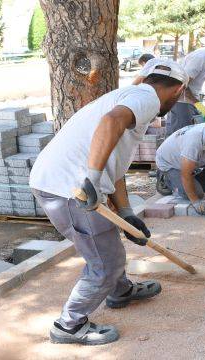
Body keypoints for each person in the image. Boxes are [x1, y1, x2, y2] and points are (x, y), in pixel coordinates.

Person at [29, 60, 188, 345]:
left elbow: (115, 168)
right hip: (69, 188)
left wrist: (125, 212)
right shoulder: (146, 97)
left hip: (60, 181)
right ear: (178, 90)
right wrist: (90, 178)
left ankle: (121, 291)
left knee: (107, 243)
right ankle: (69, 325)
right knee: (106, 261)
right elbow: (110, 123)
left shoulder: (131, 95)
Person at [133, 32, 205, 136]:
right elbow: (181, 85)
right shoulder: (202, 57)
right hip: (180, 101)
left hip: (191, 100)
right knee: (179, 136)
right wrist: (198, 104)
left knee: (190, 135)